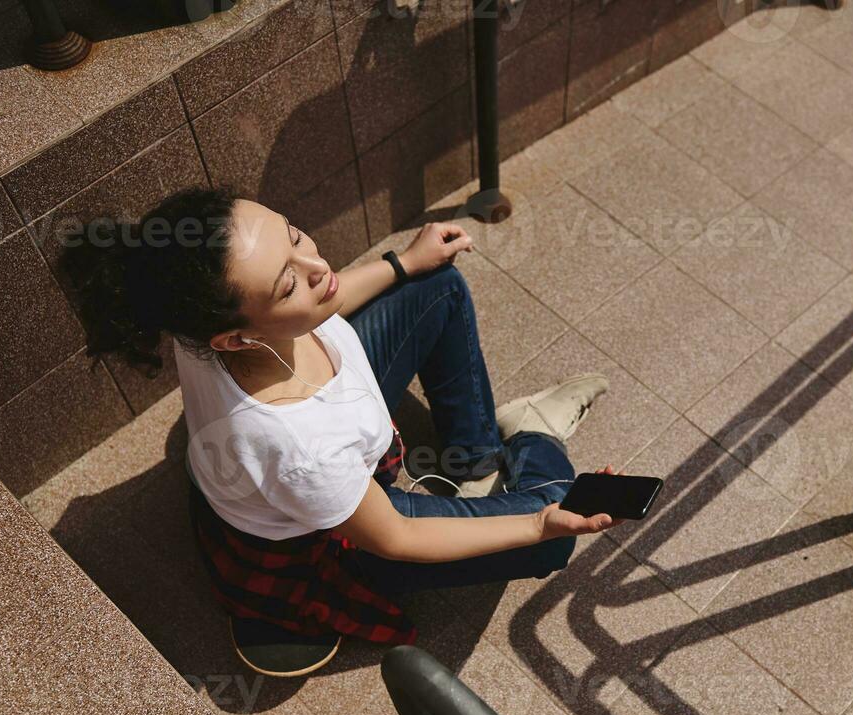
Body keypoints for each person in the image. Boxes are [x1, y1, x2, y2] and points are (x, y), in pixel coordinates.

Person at [67, 186, 613, 676]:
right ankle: (533, 436)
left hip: (314, 461)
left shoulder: (207, 323)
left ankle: (477, 459)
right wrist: (539, 523)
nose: (317, 265)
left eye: (293, 234)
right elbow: (397, 537)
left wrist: (403, 263)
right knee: (562, 523)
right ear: (235, 338)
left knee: (438, 285)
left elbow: (328, 301)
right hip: (342, 529)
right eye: (289, 284)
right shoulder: (300, 444)